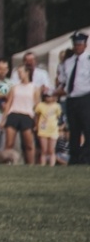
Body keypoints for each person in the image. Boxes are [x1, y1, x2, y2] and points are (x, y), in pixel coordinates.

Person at [60, 31, 90, 164]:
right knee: (74, 130)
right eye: (75, 44)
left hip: (85, 98)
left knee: (87, 128)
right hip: (71, 99)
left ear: (85, 44)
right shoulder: (68, 62)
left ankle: (86, 157)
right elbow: (64, 81)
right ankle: (74, 157)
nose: (77, 47)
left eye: (79, 44)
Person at [2, 70, 38, 165]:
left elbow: (36, 105)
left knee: (28, 144)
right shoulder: (15, 88)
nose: (19, 74)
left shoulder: (34, 88)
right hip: (14, 113)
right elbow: (9, 103)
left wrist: (36, 121)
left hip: (27, 115)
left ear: (27, 73)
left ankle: (30, 164)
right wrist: (4, 118)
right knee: (9, 143)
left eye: (21, 72)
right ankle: (7, 163)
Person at [35, 88, 60, 167]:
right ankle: (43, 164)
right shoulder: (40, 105)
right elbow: (37, 116)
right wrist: (36, 126)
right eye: (46, 96)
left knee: (51, 149)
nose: (48, 98)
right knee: (44, 150)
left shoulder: (57, 106)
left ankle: (52, 165)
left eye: (49, 96)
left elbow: (58, 117)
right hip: (43, 129)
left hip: (53, 129)